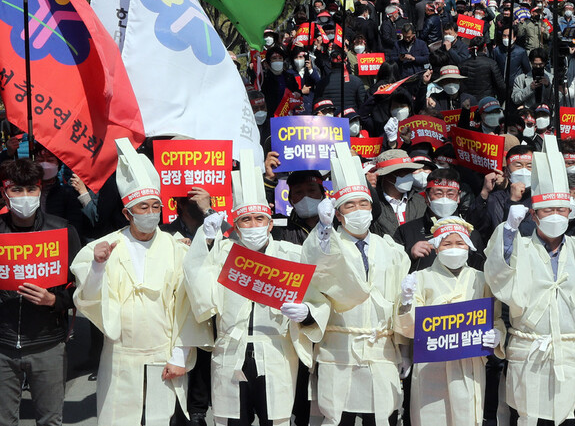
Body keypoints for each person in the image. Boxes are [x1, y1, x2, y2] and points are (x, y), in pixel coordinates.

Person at [181, 152, 332, 426]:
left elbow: (321, 298)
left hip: (277, 352)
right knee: (231, 421)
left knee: (277, 419)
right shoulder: (222, 252)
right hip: (230, 352)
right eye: (245, 220)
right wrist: (205, 240)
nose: (253, 226)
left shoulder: (292, 254)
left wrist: (307, 313)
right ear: (236, 226)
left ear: (271, 223)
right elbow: (196, 280)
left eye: (259, 219)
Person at [71, 138, 208, 425]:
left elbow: (187, 308)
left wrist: (181, 356)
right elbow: (90, 300)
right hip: (121, 357)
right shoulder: (105, 247)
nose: (150, 214)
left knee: (162, 417)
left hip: (164, 355)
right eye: (142, 207)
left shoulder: (176, 248)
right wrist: (98, 266)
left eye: (155, 207)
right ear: (127, 212)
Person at [484, 135, 575, 426]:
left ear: (570, 212)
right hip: (527, 353)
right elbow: (497, 275)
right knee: (525, 417)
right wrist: (509, 231)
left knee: (567, 418)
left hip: (570, 352)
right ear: (534, 215)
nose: (554, 216)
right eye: (547, 210)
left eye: (560, 210)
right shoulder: (519, 248)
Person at [302, 143, 410, 426]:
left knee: (381, 416)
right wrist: (323, 229)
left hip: (381, 350)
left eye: (364, 204)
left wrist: (406, 350)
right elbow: (317, 266)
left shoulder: (390, 249)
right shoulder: (328, 244)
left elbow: (400, 302)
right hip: (339, 350)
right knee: (340, 417)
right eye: (349, 205)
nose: (358, 210)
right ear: (337, 213)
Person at [395, 217, 504, 426]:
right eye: (447, 244)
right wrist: (407, 302)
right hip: (430, 364)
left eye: (459, 243)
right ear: (436, 248)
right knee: (430, 417)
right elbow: (409, 328)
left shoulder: (481, 278)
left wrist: (497, 334)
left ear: (469, 247)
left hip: (469, 365)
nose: (454, 248)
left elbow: (496, 317)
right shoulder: (420, 277)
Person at [0, 159, 82, 426]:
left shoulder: (61, 231)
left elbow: (82, 291)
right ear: (4, 193)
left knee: (50, 420)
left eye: (31, 190)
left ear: (40, 190)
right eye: (17, 191)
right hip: (2, 345)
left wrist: (54, 300)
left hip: (48, 344)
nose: (25, 197)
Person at [372, 149, 427, 237]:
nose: (407, 175)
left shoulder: (420, 201)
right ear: (386, 176)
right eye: (401, 172)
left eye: (409, 171)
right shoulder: (372, 204)